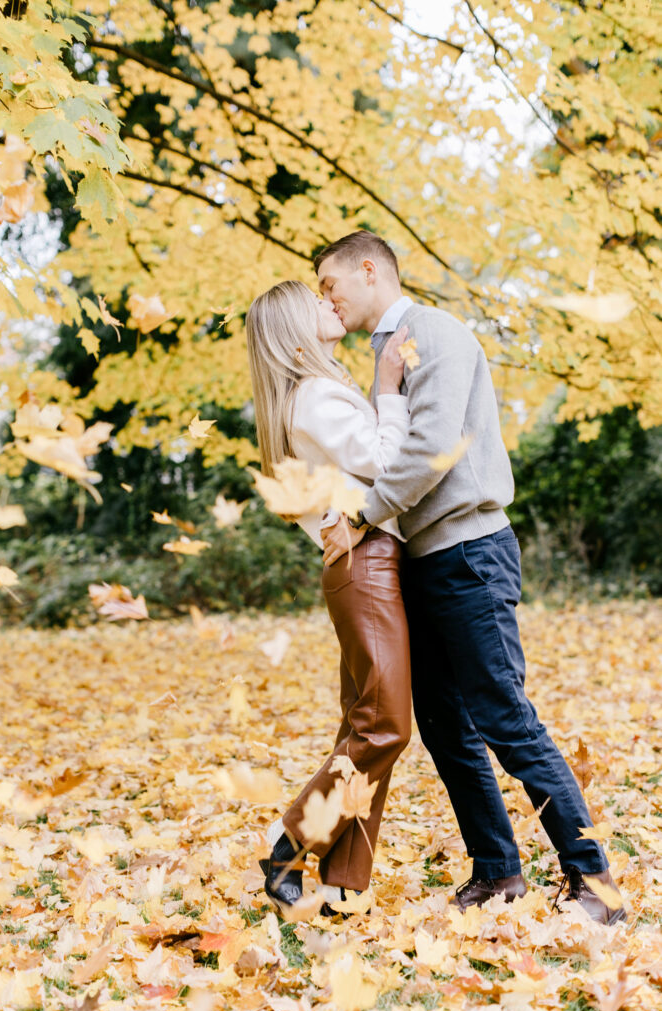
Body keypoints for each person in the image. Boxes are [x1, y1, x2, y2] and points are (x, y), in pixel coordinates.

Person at [317, 230, 626, 926]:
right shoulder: (382, 351)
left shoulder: (435, 333)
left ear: (369, 270)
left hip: (468, 552)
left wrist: (363, 512)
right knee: (444, 727)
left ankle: (592, 882)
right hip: (425, 561)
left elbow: (430, 449)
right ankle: (497, 873)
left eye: (330, 283)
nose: (327, 298)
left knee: (503, 720)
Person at [245, 279, 413, 913]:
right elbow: (383, 461)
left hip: (368, 559)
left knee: (364, 722)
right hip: (363, 562)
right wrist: (390, 392)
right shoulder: (314, 396)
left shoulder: (317, 392)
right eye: (316, 301)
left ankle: (344, 880)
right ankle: (291, 838)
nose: (330, 304)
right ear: (294, 326)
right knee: (386, 724)